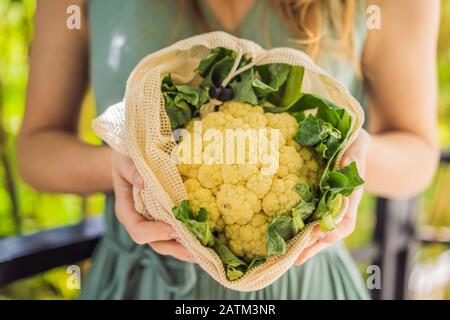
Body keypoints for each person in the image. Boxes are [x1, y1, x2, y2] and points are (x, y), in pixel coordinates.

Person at [17, 0, 439, 299]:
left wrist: (353, 157)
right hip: (137, 282)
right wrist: (122, 163)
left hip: (304, 285)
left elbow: (418, 151)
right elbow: (37, 150)